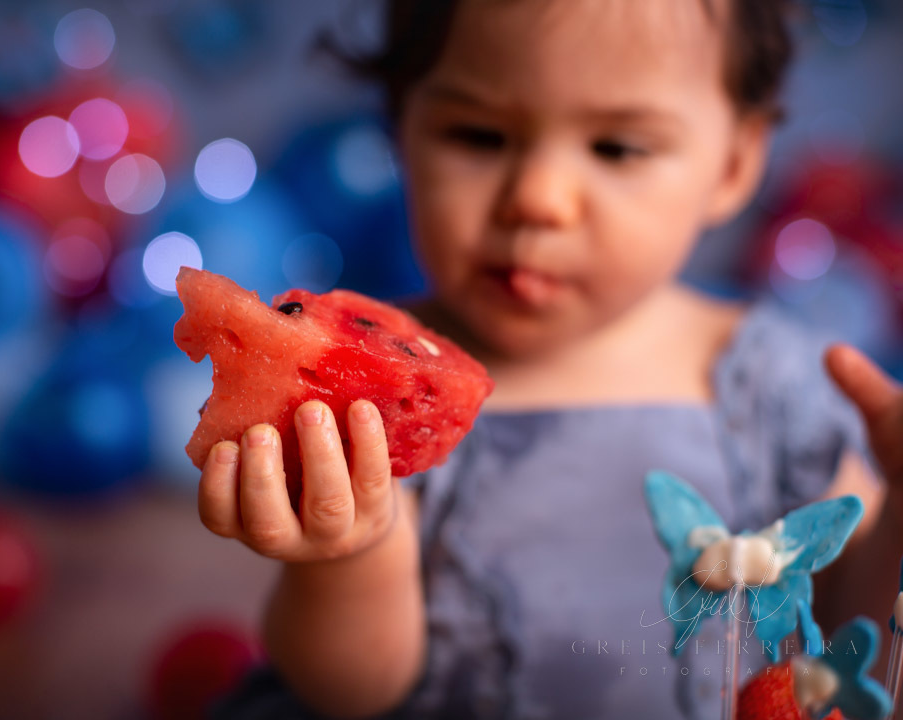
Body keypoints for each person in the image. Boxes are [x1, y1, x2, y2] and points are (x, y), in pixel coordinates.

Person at [197, 0, 903, 717]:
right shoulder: (380, 385)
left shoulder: (770, 382)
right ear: (399, 132)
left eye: (616, 148)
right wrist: (347, 556)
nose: (537, 199)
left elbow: (847, 633)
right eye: (478, 135)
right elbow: (352, 693)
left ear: (732, 165)